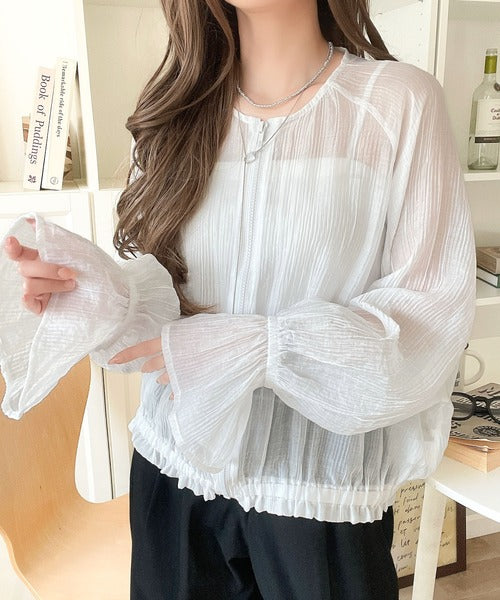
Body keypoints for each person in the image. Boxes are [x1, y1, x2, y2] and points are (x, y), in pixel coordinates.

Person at [0, 0, 477, 598]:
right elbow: (167, 306)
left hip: (317, 499)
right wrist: (98, 294)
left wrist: (262, 347)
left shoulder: (398, 102)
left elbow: (428, 321)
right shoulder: (178, 110)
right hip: (173, 478)